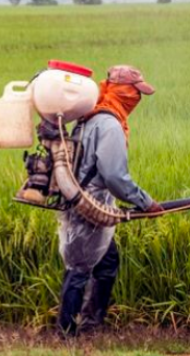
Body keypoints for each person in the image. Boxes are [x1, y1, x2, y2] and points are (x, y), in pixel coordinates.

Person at [52, 65, 163, 336]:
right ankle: (66, 334)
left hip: (86, 201)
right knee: (79, 268)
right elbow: (114, 176)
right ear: (122, 91)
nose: (136, 99)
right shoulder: (109, 123)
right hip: (89, 206)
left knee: (107, 261)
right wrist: (145, 202)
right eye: (135, 92)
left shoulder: (90, 117)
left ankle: (91, 325)